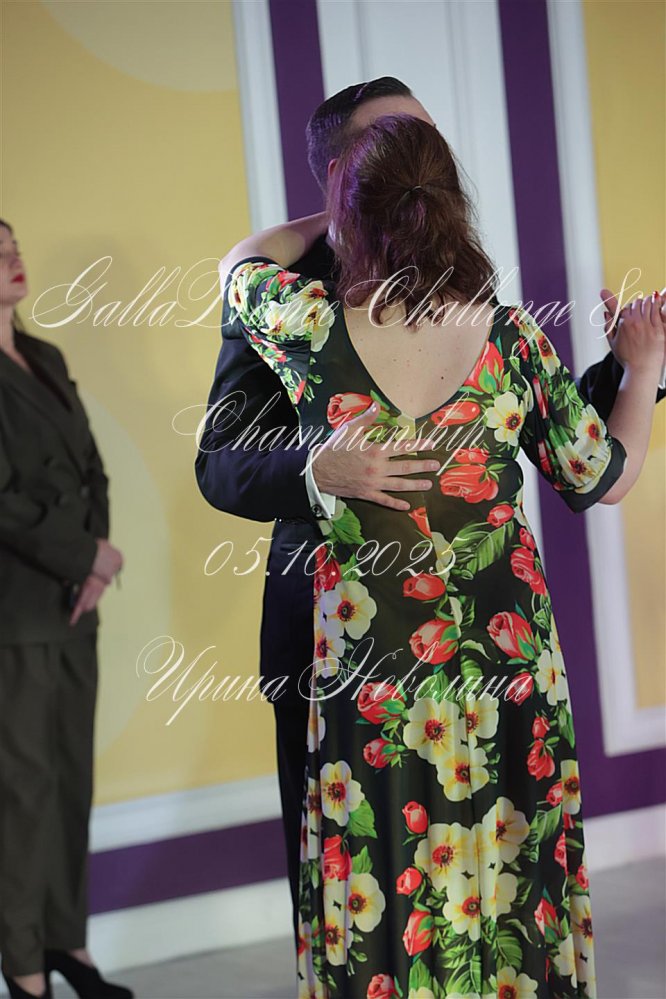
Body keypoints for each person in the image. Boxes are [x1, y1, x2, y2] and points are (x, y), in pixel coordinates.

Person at [195, 76, 666, 948]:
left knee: (441, 881)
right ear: (340, 171)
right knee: (387, 877)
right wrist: (315, 468)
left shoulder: (301, 318)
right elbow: (219, 465)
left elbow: (515, 430)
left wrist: (627, 373)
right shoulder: (480, 328)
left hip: (440, 660)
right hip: (340, 645)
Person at [0, 220, 132, 999]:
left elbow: (92, 470)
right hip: (14, 612)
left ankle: (65, 943)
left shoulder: (43, 357)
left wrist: (95, 560)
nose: (12, 259)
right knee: (21, 791)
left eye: (12, 246)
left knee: (70, 778)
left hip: (74, 603)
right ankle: (24, 967)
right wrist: (85, 554)